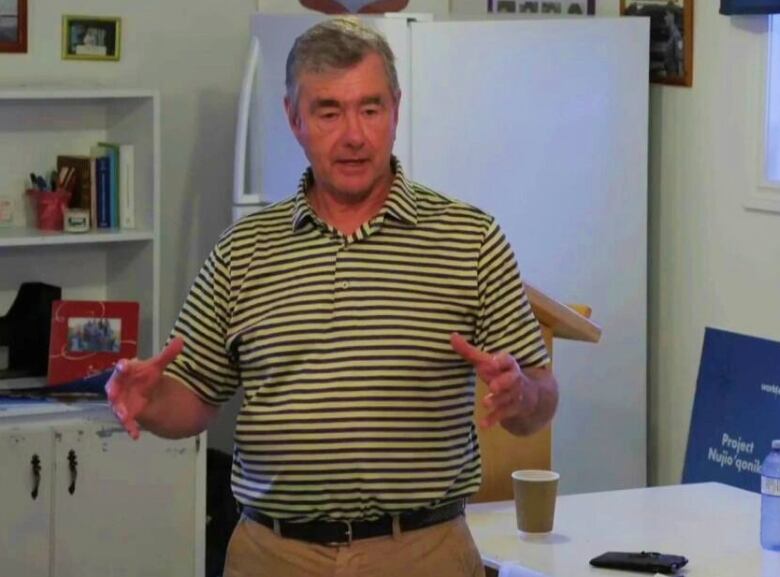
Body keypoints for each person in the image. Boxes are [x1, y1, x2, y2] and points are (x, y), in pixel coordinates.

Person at [105, 16, 558, 577]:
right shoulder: (242, 251)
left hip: (422, 552)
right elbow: (193, 399)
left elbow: (541, 395)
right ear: (294, 118)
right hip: (273, 554)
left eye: (370, 109)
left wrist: (523, 395)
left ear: (396, 108)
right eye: (328, 111)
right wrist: (150, 404)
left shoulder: (470, 238)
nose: (354, 135)